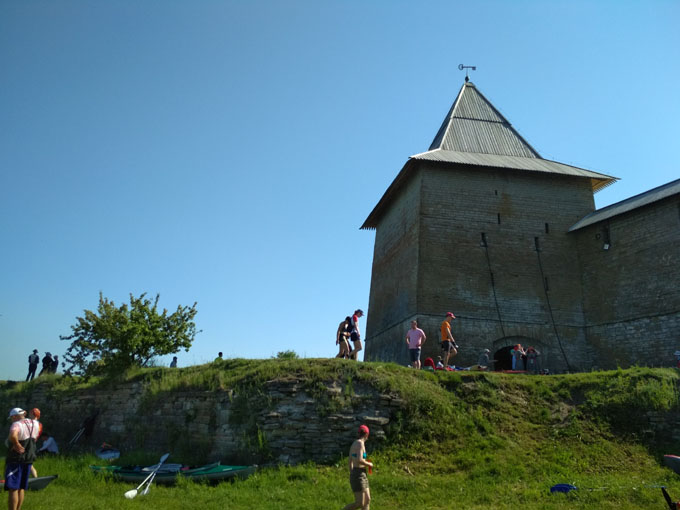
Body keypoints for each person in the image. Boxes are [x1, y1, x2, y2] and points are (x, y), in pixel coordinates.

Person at [5, 408, 40, 510]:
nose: (12, 420)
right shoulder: (35, 423)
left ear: (14, 416)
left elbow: (13, 435)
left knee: (13, 488)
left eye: (11, 418)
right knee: (21, 487)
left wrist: (16, 444)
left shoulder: (16, 424)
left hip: (16, 459)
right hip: (29, 458)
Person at [342, 424, 373, 510]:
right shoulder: (360, 444)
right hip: (358, 474)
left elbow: (350, 460)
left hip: (360, 473)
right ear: (367, 434)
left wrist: (352, 472)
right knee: (359, 503)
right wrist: (369, 464)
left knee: (367, 500)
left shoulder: (354, 444)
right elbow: (360, 460)